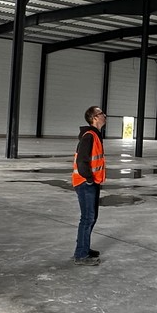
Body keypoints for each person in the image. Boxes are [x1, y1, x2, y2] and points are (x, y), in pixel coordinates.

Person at [71, 105, 106, 263]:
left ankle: (83, 247)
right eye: (101, 113)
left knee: (91, 217)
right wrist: (90, 179)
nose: (105, 115)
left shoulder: (95, 135)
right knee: (87, 218)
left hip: (92, 182)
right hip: (85, 183)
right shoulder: (89, 136)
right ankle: (81, 254)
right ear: (94, 118)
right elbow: (81, 162)